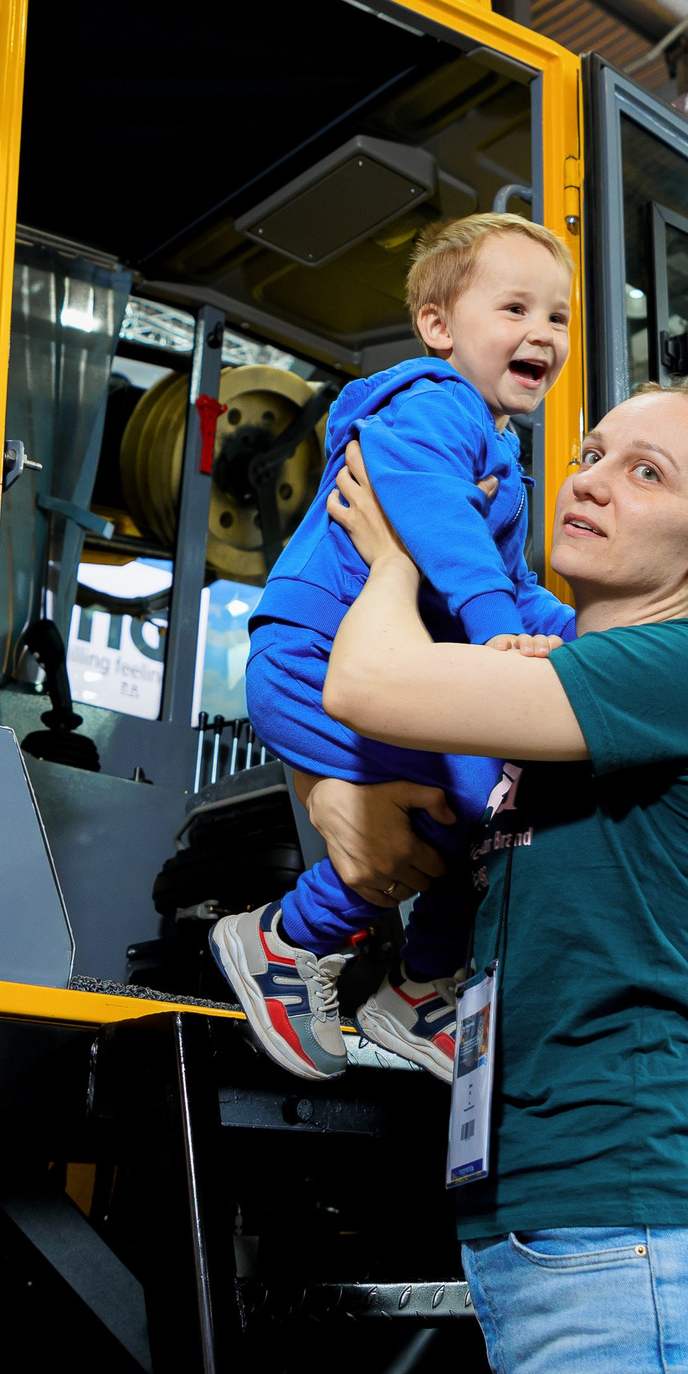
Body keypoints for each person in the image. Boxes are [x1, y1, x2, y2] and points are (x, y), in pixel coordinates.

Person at [319, 382, 688, 1374]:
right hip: (556, 1245)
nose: (590, 482)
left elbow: (366, 685)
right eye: (590, 455)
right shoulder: (573, 691)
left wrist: (400, 551)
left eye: (646, 472)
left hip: (645, 1252)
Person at [208, 213, 580, 1083]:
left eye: (558, 316)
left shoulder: (498, 447)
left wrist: (579, 639)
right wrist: (495, 628)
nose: (542, 332)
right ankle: (290, 941)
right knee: (483, 798)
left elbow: (507, 578)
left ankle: (419, 981)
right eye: (515, 308)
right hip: (314, 659)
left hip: (367, 666)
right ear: (438, 325)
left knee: (488, 803)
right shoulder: (431, 406)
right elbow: (438, 519)